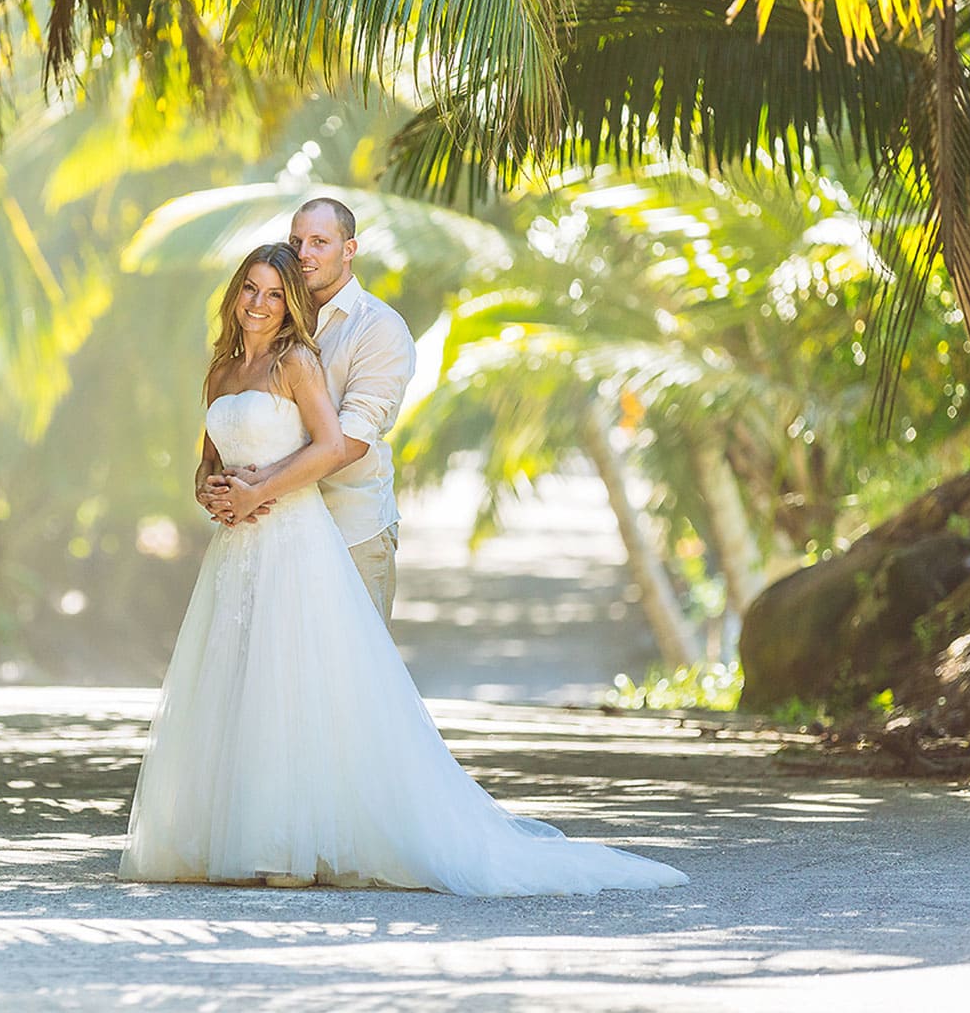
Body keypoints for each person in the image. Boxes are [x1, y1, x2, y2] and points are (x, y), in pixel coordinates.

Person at [118, 241, 688, 895]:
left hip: (294, 539)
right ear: (235, 292)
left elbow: (332, 445)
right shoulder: (220, 373)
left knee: (294, 684)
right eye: (250, 288)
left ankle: (292, 847)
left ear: (292, 305)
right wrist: (212, 491)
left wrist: (260, 489)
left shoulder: (296, 362)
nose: (259, 305)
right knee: (236, 682)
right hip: (233, 551)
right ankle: (233, 835)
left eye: (276, 294)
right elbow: (208, 461)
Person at [199, 198, 413, 625]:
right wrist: (214, 489)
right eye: (296, 240)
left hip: (350, 524)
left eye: (320, 242)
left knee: (349, 677)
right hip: (262, 529)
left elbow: (349, 440)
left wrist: (258, 488)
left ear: (348, 249)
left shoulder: (378, 328)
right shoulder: (271, 321)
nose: (303, 253)